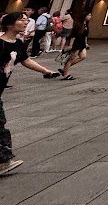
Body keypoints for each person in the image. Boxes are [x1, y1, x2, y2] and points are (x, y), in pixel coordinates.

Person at [0, 12, 61, 175]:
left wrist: (46, 71)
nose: (26, 22)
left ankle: (3, 161)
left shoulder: (18, 44)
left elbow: (26, 61)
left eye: (26, 20)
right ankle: (3, 162)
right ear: (9, 24)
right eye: (22, 20)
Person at [60, 12, 91, 81]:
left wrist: (86, 43)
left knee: (83, 56)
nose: (90, 16)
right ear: (84, 16)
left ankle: (64, 69)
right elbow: (73, 36)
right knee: (71, 59)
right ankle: (65, 74)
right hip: (76, 44)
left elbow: (85, 35)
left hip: (82, 44)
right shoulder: (78, 25)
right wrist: (70, 45)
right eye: (88, 15)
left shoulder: (86, 24)